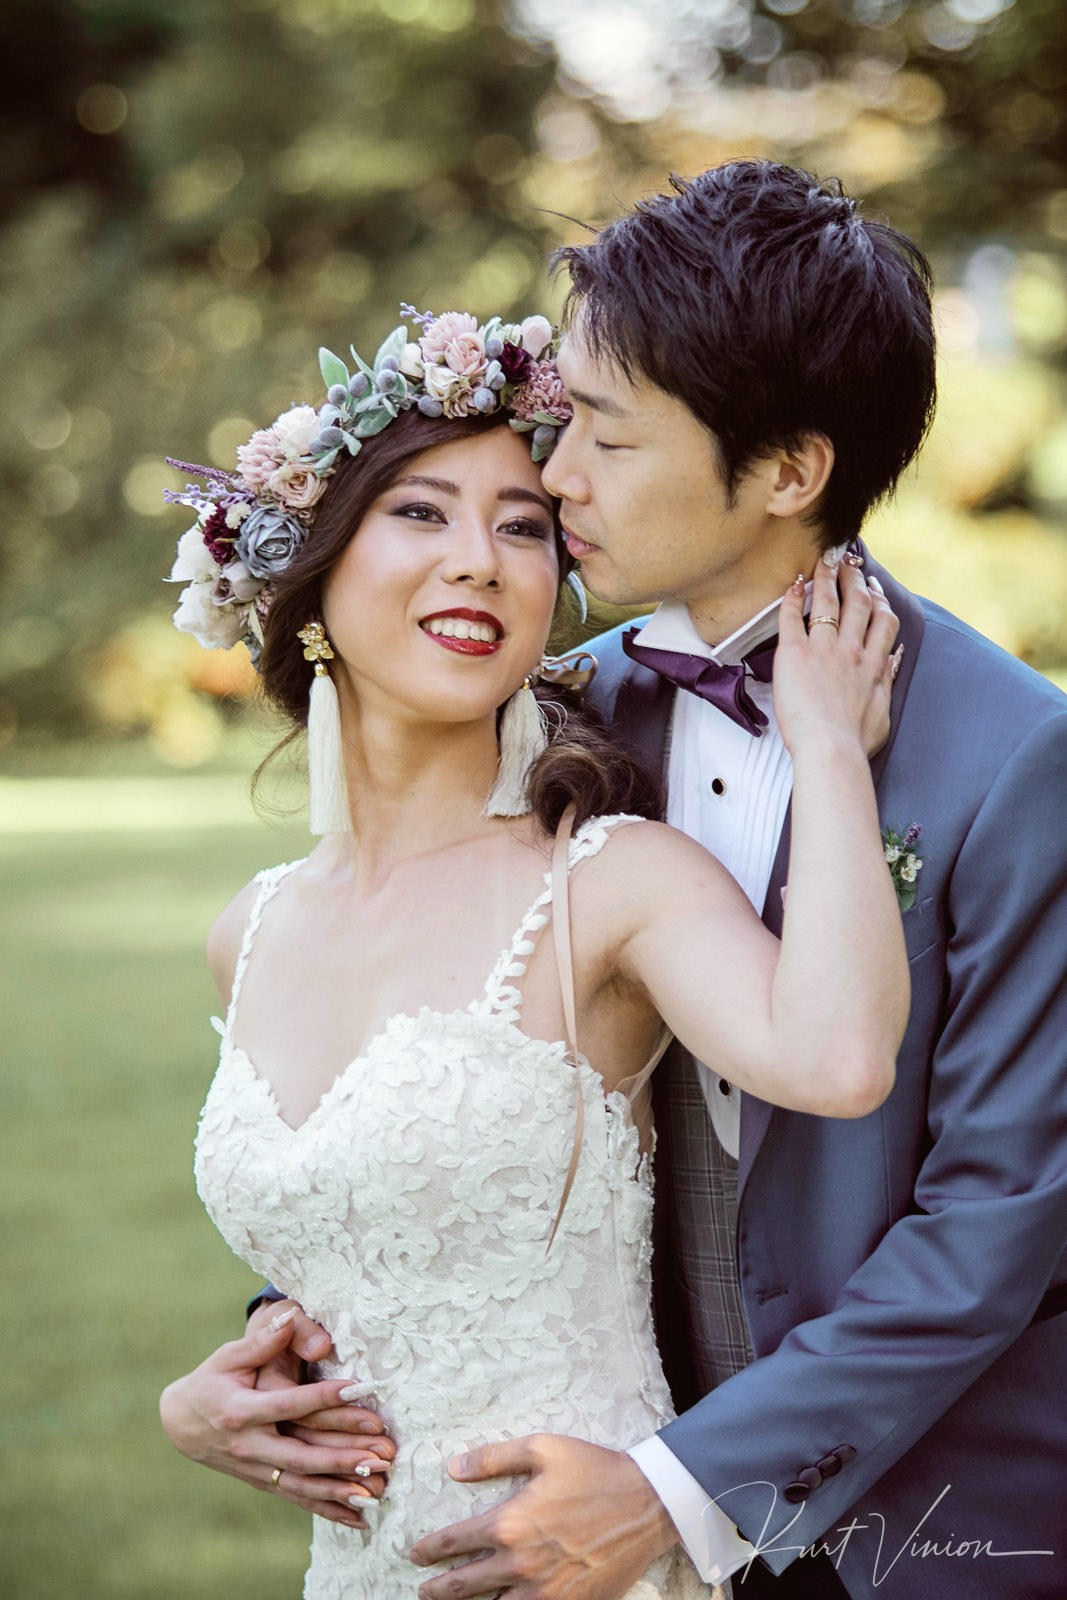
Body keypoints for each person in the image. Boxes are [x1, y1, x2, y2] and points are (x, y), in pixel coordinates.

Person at [166, 164, 1067, 1600]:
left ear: (787, 472)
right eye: (566, 415)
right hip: (539, 1500)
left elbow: (996, 1223)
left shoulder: (1015, 758)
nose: (557, 473)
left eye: (605, 433)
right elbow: (455, 1090)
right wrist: (285, 1339)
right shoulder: (562, 710)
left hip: (918, 1526)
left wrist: (679, 1494)